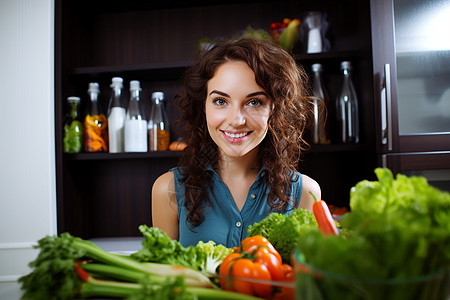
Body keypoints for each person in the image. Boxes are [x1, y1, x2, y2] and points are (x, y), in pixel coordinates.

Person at [152, 37, 321, 248]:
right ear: (203, 106)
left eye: (254, 102)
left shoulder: (305, 192)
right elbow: (162, 276)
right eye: (220, 101)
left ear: (275, 110)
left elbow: (304, 276)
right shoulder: (167, 190)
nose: (237, 120)